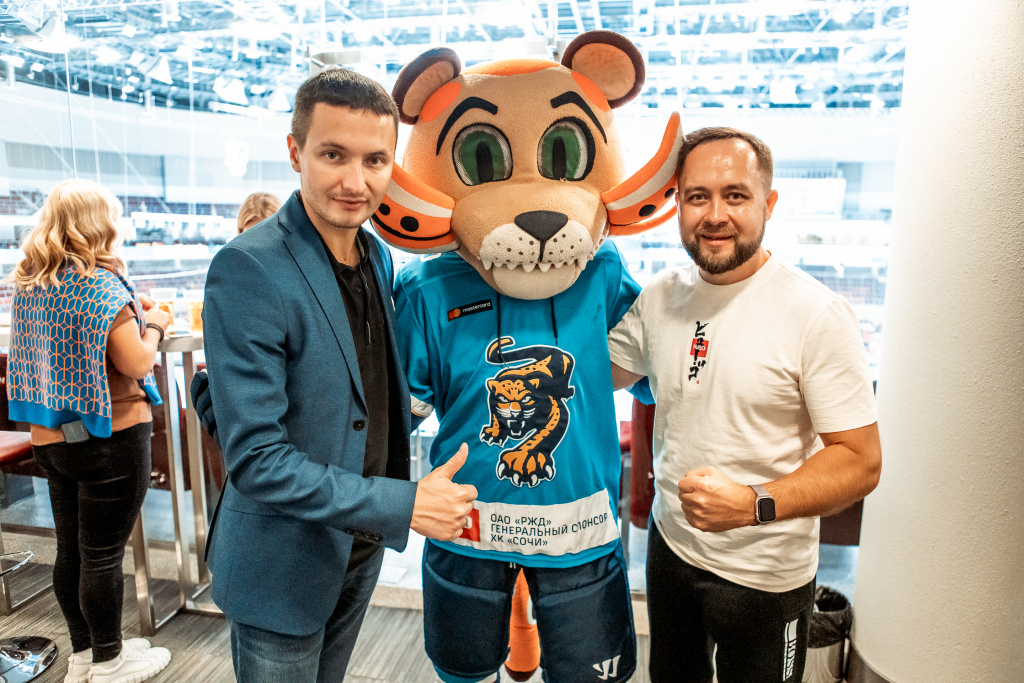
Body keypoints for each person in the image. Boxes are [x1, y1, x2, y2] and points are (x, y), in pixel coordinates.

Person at [201, 67, 477, 682]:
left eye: (375, 160)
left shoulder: (377, 254)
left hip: (357, 547)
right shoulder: (249, 266)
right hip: (283, 562)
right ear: (295, 151)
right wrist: (404, 503)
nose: (356, 182)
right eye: (333, 155)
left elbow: (356, 386)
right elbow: (258, 460)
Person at [607, 127, 882, 683]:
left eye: (735, 195)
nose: (715, 215)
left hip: (765, 574)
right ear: (677, 204)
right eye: (698, 196)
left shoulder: (815, 314)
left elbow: (860, 462)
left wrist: (754, 504)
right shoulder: (661, 296)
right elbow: (591, 376)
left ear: (768, 203)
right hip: (671, 548)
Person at [6, 178, 173, 683]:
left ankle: (86, 653)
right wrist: (155, 322)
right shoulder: (101, 288)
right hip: (110, 440)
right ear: (99, 225)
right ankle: (110, 663)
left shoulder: (31, 285)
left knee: (72, 551)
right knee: (101, 556)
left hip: (51, 440)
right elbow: (137, 361)